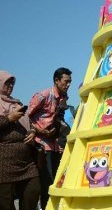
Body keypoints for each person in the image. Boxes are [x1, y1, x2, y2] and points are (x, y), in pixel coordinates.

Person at [28, 67, 72, 210]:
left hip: (53, 143)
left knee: (54, 180)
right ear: (56, 81)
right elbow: (26, 116)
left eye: (70, 82)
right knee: (45, 182)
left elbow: (59, 118)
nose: (68, 85)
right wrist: (38, 130)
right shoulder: (43, 95)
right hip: (40, 144)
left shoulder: (64, 98)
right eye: (66, 81)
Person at [0, 71, 40, 210]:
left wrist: (33, 132)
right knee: (5, 203)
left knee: (33, 191)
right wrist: (9, 119)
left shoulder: (17, 103)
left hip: (26, 162)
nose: (11, 85)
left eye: (12, 83)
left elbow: (31, 123)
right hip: (4, 164)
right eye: (7, 82)